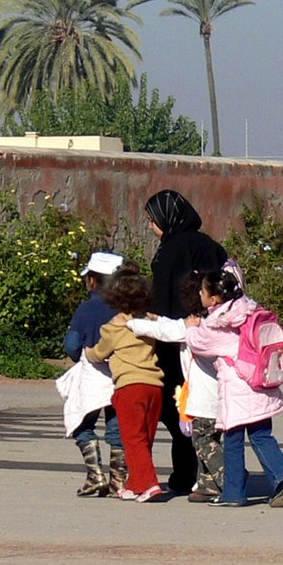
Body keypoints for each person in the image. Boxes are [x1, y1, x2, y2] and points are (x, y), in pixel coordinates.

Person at [184, 268, 283, 507]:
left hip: (238, 387)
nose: (200, 293)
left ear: (214, 298)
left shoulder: (217, 324)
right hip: (261, 382)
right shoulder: (249, 310)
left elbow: (198, 344)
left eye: (203, 290)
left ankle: (234, 493)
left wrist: (191, 327)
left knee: (234, 441)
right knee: (261, 436)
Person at [144, 189, 228, 494]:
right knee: (207, 407)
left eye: (153, 221)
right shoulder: (211, 246)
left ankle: (186, 473)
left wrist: (157, 325)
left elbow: (162, 298)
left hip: (177, 339)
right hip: (215, 334)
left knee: (178, 406)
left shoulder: (171, 251)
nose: (152, 227)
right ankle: (207, 470)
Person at [127, 270, 224, 503]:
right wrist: (157, 319)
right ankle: (206, 484)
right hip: (222, 393)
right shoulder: (215, 321)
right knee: (212, 439)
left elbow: (165, 331)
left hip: (205, 397)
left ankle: (229, 478)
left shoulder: (194, 327)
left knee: (203, 442)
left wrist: (131, 322)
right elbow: (170, 326)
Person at [84, 262, 165, 503]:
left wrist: (88, 353)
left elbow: (99, 353)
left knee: (132, 438)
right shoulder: (149, 323)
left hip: (130, 387)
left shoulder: (113, 328)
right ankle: (134, 483)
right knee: (145, 437)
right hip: (155, 386)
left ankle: (149, 483)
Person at [56, 251, 126, 497]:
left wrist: (77, 356)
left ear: (93, 281)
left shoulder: (86, 309)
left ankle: (94, 474)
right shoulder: (128, 307)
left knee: (81, 422)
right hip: (122, 374)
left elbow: (72, 345)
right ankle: (118, 481)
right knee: (118, 430)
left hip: (93, 375)